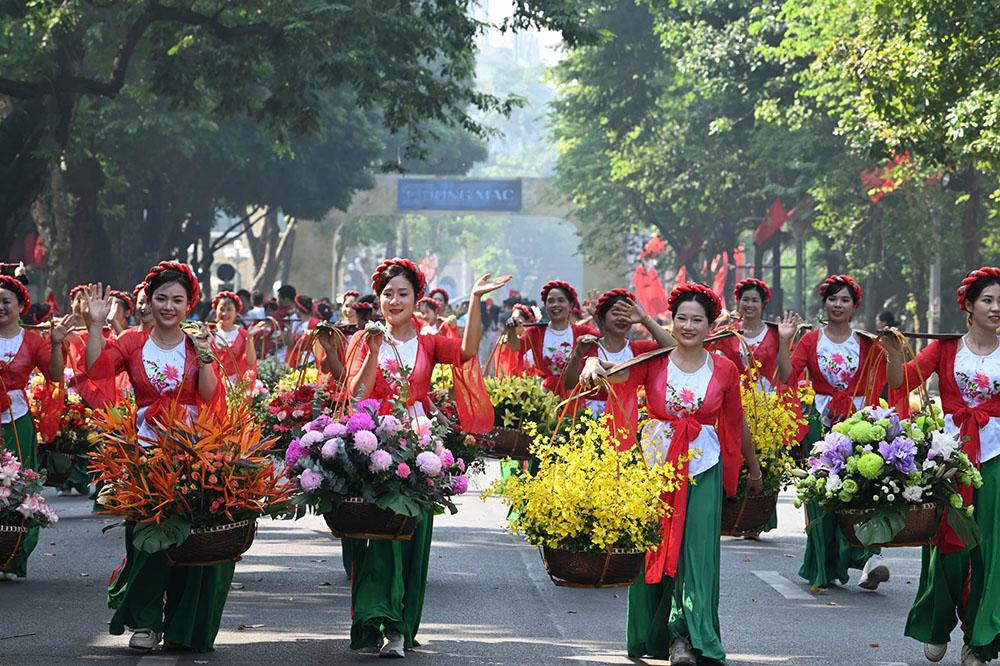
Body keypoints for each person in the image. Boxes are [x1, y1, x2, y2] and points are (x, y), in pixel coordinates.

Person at [579, 283, 761, 664]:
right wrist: (593, 362)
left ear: (712, 326)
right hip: (656, 469)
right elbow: (614, 375)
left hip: (704, 469)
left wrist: (753, 468)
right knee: (656, 549)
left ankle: (689, 637)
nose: (688, 326)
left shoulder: (725, 369)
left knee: (697, 555)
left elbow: (734, 422)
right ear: (671, 322)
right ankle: (654, 636)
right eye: (681, 319)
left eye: (697, 320)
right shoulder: (654, 360)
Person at [345, 258, 509, 658]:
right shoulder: (362, 340)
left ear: (417, 299)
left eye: (403, 294)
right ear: (378, 300)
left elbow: (468, 350)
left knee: (408, 539)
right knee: (376, 537)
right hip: (370, 444)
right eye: (387, 295)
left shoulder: (430, 342)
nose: (394, 301)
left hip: (417, 448)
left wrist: (474, 300)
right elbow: (356, 394)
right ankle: (372, 619)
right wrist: (373, 349)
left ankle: (399, 628)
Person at [81, 262, 228, 652]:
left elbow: (210, 397)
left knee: (189, 541)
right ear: (149, 300)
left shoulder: (198, 341)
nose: (168, 306)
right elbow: (97, 370)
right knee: (144, 539)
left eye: (177, 300)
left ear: (189, 304)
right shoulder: (131, 341)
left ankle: (181, 623)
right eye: (161, 298)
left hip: (193, 451)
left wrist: (208, 355)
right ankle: (146, 622)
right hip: (144, 453)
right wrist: (96, 325)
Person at [885, 267, 1000, 666]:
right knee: (947, 550)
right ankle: (936, 626)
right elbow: (903, 383)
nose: (995, 307)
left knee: (989, 550)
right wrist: (893, 355)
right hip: (949, 462)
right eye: (987, 300)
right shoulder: (946, 348)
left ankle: (980, 639)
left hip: (997, 461)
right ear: (968, 306)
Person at [779, 274, 890, 590]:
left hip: (858, 426)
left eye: (844, 299)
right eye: (832, 299)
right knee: (823, 492)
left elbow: (887, 380)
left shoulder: (867, 343)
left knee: (865, 489)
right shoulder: (811, 341)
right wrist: (785, 341)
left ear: (855, 306)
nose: (837, 305)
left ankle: (871, 558)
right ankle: (824, 563)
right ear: (823, 304)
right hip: (822, 425)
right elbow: (788, 375)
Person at [0, 275, 70, 579]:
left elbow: (55, 374)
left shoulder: (31, 340)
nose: (0, 307)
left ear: (21, 306)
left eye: (5, 302)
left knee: (16, 485)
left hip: (16, 420)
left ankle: (11, 553)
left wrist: (56, 345)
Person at [562, 288, 673, 415]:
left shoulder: (640, 349)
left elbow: (674, 349)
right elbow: (569, 384)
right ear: (602, 318)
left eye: (627, 314)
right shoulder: (589, 347)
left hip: (630, 418)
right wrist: (577, 355)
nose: (621, 318)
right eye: (615, 313)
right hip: (592, 422)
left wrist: (645, 319)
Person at [504, 280, 599, 400]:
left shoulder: (582, 331)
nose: (555, 305)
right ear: (546, 306)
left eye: (561, 300)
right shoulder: (536, 332)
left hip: (573, 394)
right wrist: (511, 330)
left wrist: (596, 315)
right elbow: (516, 347)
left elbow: (604, 340)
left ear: (570, 306)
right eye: (550, 301)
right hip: (543, 394)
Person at [210, 291, 266, 385]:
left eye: (229, 309)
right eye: (222, 309)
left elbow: (250, 362)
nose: (225, 313)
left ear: (236, 313)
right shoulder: (209, 331)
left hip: (235, 385)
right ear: (216, 310)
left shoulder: (243, 334)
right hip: (212, 383)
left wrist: (249, 339)